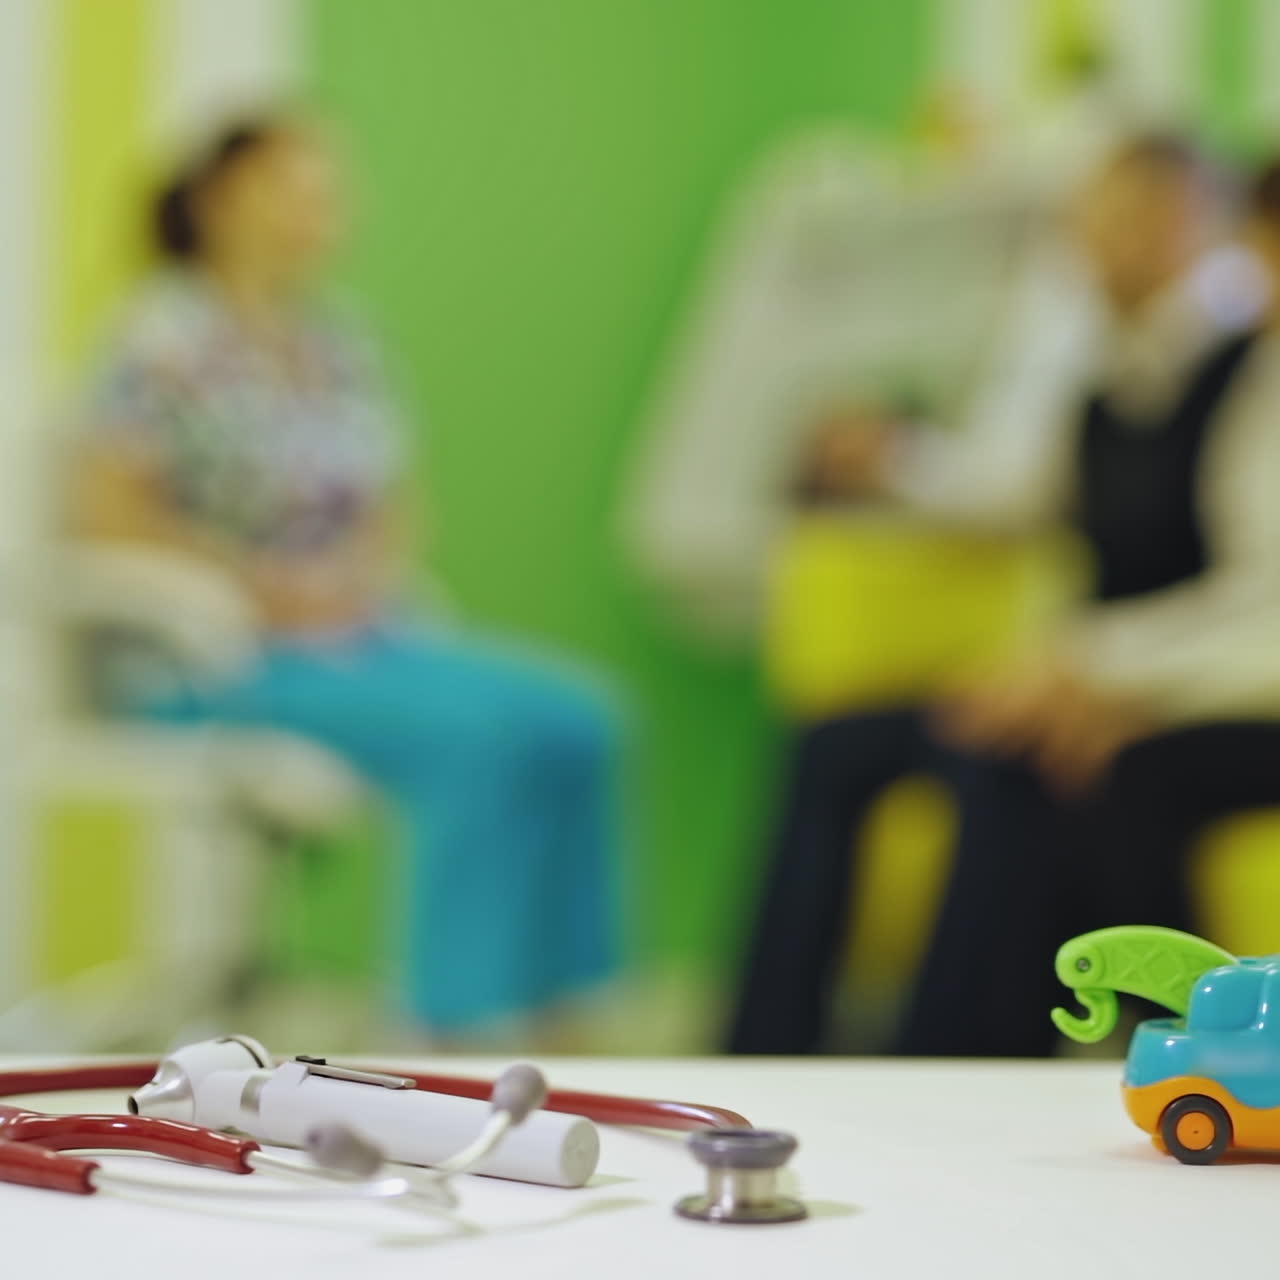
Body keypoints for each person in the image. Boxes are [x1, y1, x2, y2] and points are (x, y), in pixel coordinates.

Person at [65, 114, 622, 1040]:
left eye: (328, 189)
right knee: (473, 743)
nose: (319, 209)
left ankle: (561, 1020)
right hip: (210, 656)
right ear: (218, 201)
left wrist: (355, 582)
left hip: (354, 636)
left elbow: (394, 507)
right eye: (293, 187)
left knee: (577, 719)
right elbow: (113, 518)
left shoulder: (340, 340)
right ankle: (457, 1031)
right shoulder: (158, 335)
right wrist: (262, 589)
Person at [728, 133, 1280, 1057]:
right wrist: (887, 460)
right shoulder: (1099, 378)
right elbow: (1009, 490)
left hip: (1180, 683)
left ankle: (951, 1058)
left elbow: (1259, 598)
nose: (1097, 236)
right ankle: (764, 1048)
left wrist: (1098, 671)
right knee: (835, 745)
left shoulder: (1247, 378)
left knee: (1016, 760)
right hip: (1117, 669)